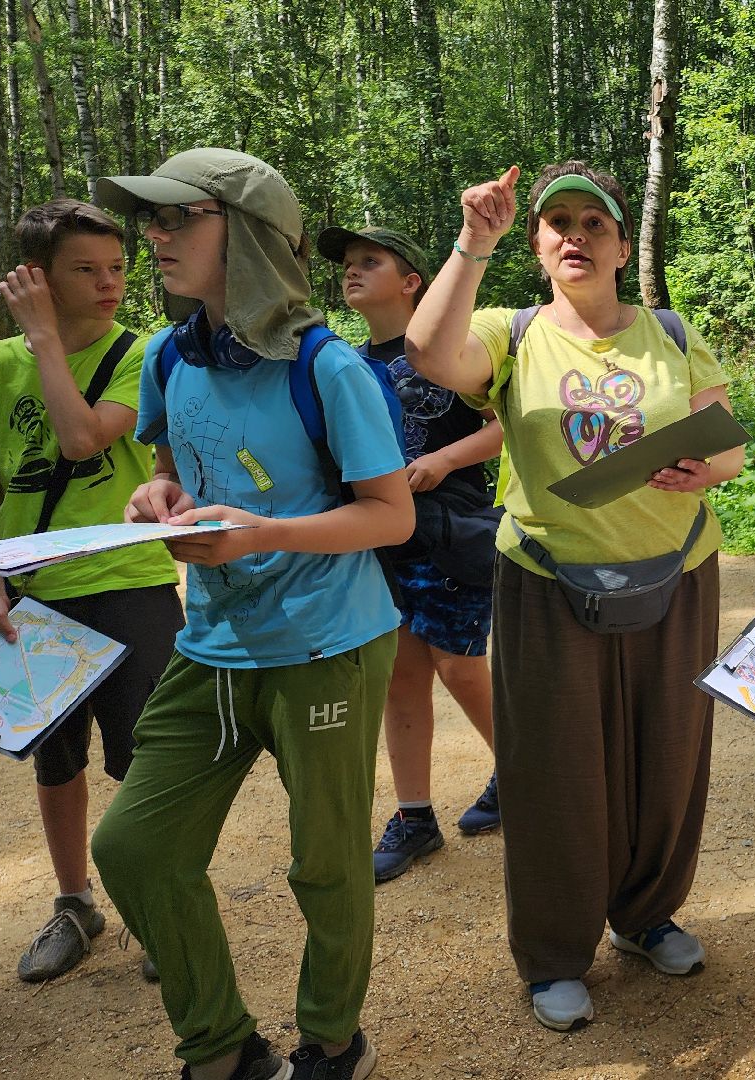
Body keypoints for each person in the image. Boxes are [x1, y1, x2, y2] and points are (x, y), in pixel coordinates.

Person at [90, 148, 413, 1080]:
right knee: (136, 846)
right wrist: (151, 503)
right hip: (214, 646)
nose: (154, 235)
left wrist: (263, 531)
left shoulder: (329, 366)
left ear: (252, 235)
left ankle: (331, 1038)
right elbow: (166, 473)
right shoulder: (167, 353)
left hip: (328, 647)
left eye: (178, 216)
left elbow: (392, 515)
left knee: (326, 862)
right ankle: (223, 1049)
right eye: (151, 219)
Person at [406, 162, 740, 1031]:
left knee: (666, 756)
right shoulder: (509, 331)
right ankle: (555, 955)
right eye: (559, 223)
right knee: (553, 769)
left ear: (624, 244)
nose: (577, 235)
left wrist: (706, 467)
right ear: (539, 246)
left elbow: (729, 443)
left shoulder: (669, 330)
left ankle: (646, 915)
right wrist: (471, 241)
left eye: (596, 222)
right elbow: (429, 354)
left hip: (677, 569)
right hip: (550, 581)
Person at [0, 200, 182, 985]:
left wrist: (43, 341)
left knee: (151, 759)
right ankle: (75, 904)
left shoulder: (145, 354)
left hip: (129, 582)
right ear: (37, 275)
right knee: (55, 759)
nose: (110, 285)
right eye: (87, 270)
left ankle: (159, 904)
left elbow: (81, 437)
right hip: (32, 594)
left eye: (117, 268)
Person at [316, 223, 504, 882]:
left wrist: (443, 459)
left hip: (450, 537)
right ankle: (416, 816)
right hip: (382, 547)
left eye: (371, 261)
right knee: (401, 678)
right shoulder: (342, 362)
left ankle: (524, 778)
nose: (352, 271)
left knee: (459, 668)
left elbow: (513, 420)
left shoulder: (449, 349)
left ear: (412, 281)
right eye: (347, 263)